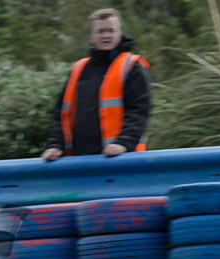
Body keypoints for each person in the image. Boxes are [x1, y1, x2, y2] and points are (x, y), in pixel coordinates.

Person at [41, 8, 151, 161]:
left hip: (122, 158)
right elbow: (61, 113)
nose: (106, 35)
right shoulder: (79, 68)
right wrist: (55, 145)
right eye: (100, 31)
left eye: (111, 31)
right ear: (91, 36)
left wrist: (123, 143)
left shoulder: (132, 65)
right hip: (80, 159)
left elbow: (139, 111)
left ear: (119, 33)